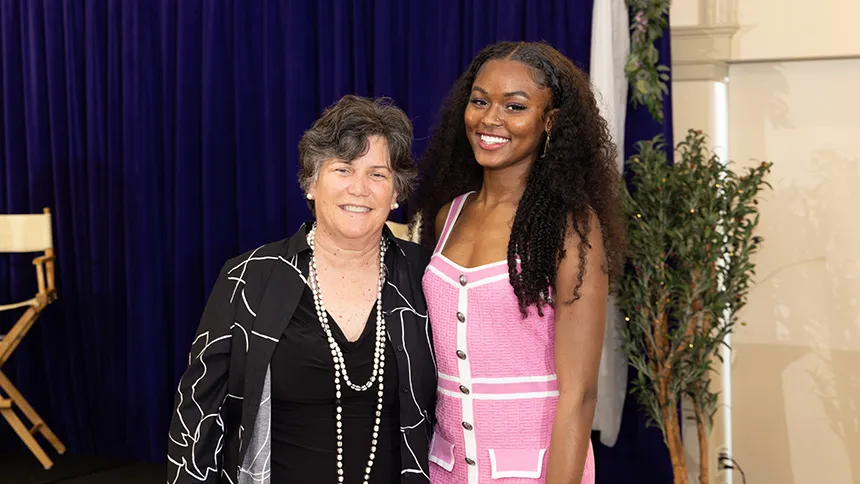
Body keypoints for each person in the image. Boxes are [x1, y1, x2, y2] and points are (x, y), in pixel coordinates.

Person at [167, 95, 437, 484]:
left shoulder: (426, 275)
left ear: (396, 193)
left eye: (377, 174)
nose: (359, 188)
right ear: (311, 182)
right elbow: (197, 414)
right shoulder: (250, 277)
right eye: (343, 169)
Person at [414, 41, 625, 484]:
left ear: (550, 122)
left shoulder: (571, 228)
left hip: (537, 472)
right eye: (480, 101)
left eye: (515, 106)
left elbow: (580, 394)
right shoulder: (447, 215)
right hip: (445, 471)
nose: (491, 119)